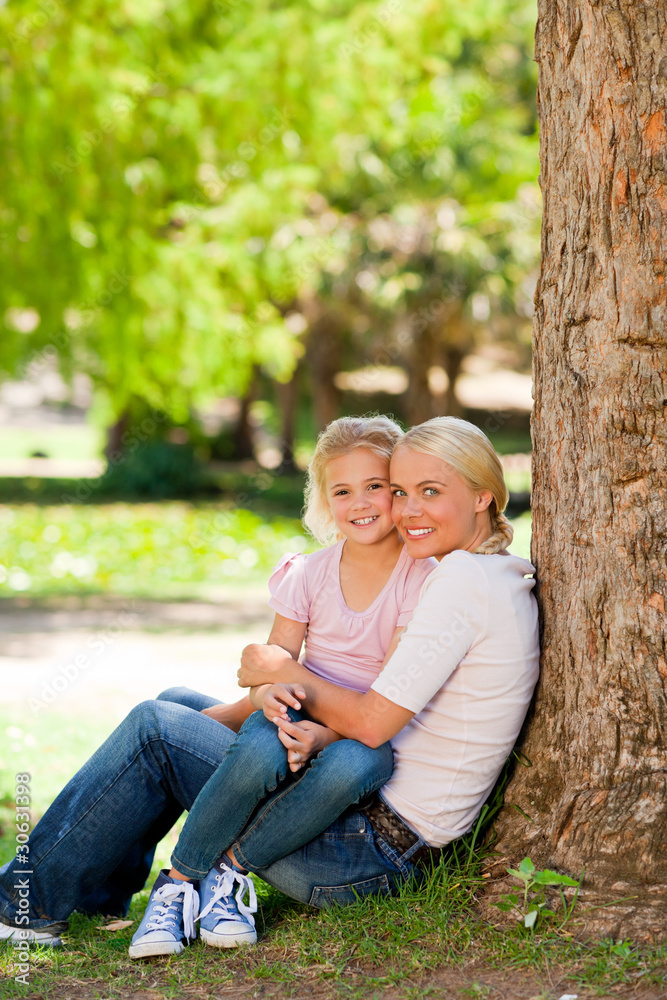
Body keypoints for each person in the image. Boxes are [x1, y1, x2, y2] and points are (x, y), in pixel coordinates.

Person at [0, 417, 539, 959]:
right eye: (402, 491)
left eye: (430, 492)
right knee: (177, 706)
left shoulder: (456, 581)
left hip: (367, 848)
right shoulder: (495, 574)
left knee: (154, 728)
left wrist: (279, 672)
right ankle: (98, 895)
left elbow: (372, 722)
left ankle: (22, 906)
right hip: (369, 820)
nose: (409, 509)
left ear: (483, 497)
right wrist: (245, 703)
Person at [128, 415, 436, 956]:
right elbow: (276, 665)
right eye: (343, 491)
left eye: (376, 487)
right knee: (260, 742)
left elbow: (384, 703)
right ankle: (176, 884)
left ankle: (228, 874)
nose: (360, 503)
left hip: (361, 729)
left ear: (400, 491)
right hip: (294, 712)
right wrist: (268, 698)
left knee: (365, 760)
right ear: (324, 500)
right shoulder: (307, 573)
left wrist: (324, 737)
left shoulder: (419, 578)